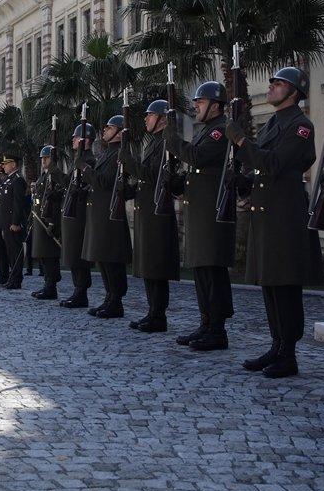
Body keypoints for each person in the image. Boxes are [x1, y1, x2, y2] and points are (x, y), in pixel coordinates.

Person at [225, 68, 322, 377]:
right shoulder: (272, 124)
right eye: (271, 82)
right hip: (267, 211)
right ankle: (276, 344)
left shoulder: (300, 126)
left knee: (285, 286)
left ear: (293, 92)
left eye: (278, 84)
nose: (270, 87)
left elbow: (274, 163)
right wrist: (242, 179)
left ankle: (289, 353)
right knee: (270, 283)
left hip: (285, 213)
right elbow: (260, 168)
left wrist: (240, 140)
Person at [165, 81, 236, 350]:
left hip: (212, 213)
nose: (196, 106)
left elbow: (198, 157)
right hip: (200, 212)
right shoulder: (207, 130)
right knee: (201, 271)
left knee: (212, 271)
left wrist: (173, 142)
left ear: (216, 106)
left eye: (201, 102)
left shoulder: (220, 131)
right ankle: (206, 323)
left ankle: (217, 330)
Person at [119, 99, 179, 332]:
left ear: (163, 119)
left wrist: (130, 162)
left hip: (157, 211)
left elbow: (152, 175)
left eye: (150, 115)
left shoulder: (166, 142)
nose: (146, 118)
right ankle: (152, 311)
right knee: (148, 266)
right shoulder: (154, 142)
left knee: (156, 266)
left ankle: (158, 315)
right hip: (147, 209)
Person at [80, 114, 133, 318]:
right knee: (103, 258)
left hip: (110, 212)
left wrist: (84, 168)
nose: (104, 131)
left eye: (109, 128)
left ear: (119, 133)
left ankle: (116, 300)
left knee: (111, 259)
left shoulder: (118, 154)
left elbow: (104, 181)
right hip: (100, 212)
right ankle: (109, 297)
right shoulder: (107, 153)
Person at [59, 122, 96, 308]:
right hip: (73, 212)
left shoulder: (88, 160)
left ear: (85, 140)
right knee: (73, 253)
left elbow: (89, 185)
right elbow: (69, 183)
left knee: (79, 255)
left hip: (81, 214)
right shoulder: (78, 160)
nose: (72, 140)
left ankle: (81, 292)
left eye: (76, 137)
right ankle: (77, 290)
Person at [29, 145, 64, 300]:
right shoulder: (44, 176)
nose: (44, 161)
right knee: (43, 254)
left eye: (47, 158)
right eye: (42, 158)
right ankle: (47, 284)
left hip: (49, 221)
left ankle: (51, 287)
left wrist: (52, 222)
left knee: (50, 255)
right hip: (40, 220)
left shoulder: (54, 176)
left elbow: (56, 201)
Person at [0, 154, 29, 290]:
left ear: (14, 164)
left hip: (12, 224)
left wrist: (15, 222)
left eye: (6, 164)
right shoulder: (8, 180)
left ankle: (16, 280)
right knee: (10, 252)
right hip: (6, 223)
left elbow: (18, 203)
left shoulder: (18, 180)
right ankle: (12, 278)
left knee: (15, 252)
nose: (3, 166)